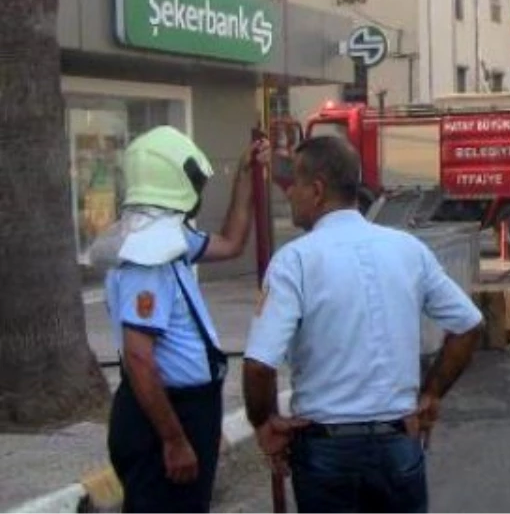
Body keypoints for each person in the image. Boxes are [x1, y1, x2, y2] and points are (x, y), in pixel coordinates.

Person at [242, 135, 483, 514]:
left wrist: (264, 422)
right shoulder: (407, 249)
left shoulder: (295, 261)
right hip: (397, 444)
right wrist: (431, 393)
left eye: (295, 186)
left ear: (317, 190)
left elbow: (258, 365)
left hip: (327, 453)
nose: (289, 195)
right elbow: (468, 324)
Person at [87, 126, 267, 513]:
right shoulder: (146, 256)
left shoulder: (167, 237)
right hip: (164, 414)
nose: (199, 192)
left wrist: (244, 177)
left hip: (186, 408)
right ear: (173, 182)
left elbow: (232, 242)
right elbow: (139, 358)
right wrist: (175, 439)